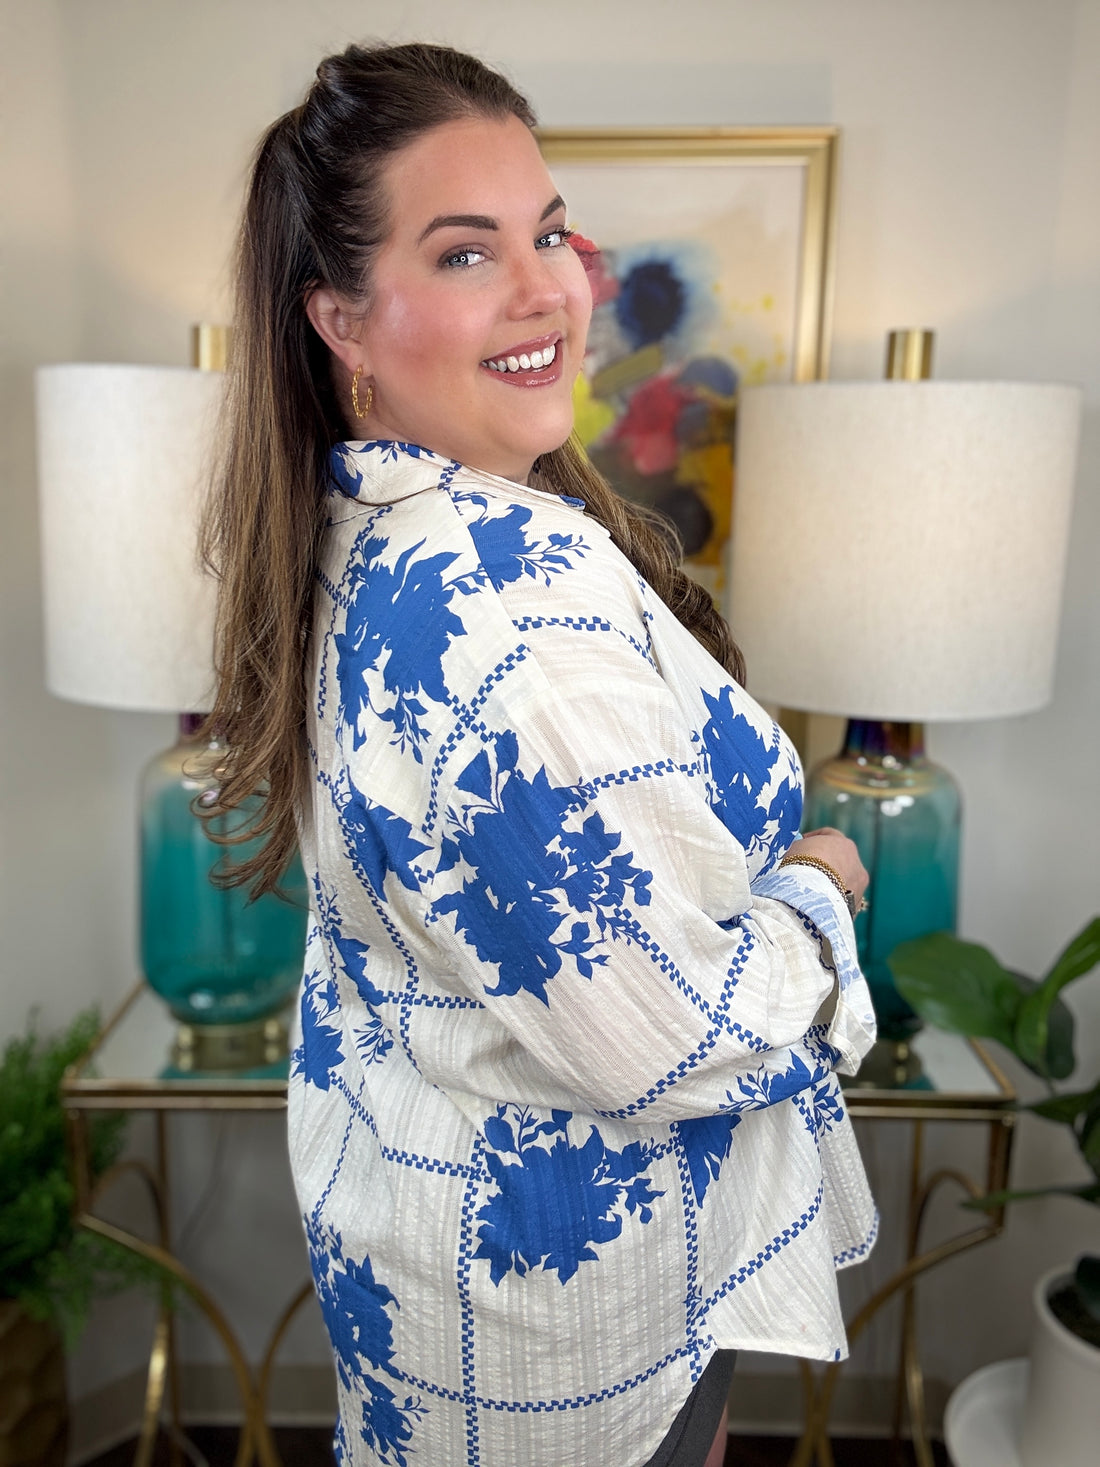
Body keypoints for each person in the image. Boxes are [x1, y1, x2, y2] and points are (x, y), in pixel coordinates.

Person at [203, 40, 876, 1467]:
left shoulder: (368, 537)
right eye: (465, 254)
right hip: (576, 1347)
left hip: (443, 1284)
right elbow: (666, 1038)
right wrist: (820, 889)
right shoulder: (504, 610)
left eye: (550, 234)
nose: (546, 288)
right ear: (341, 317)